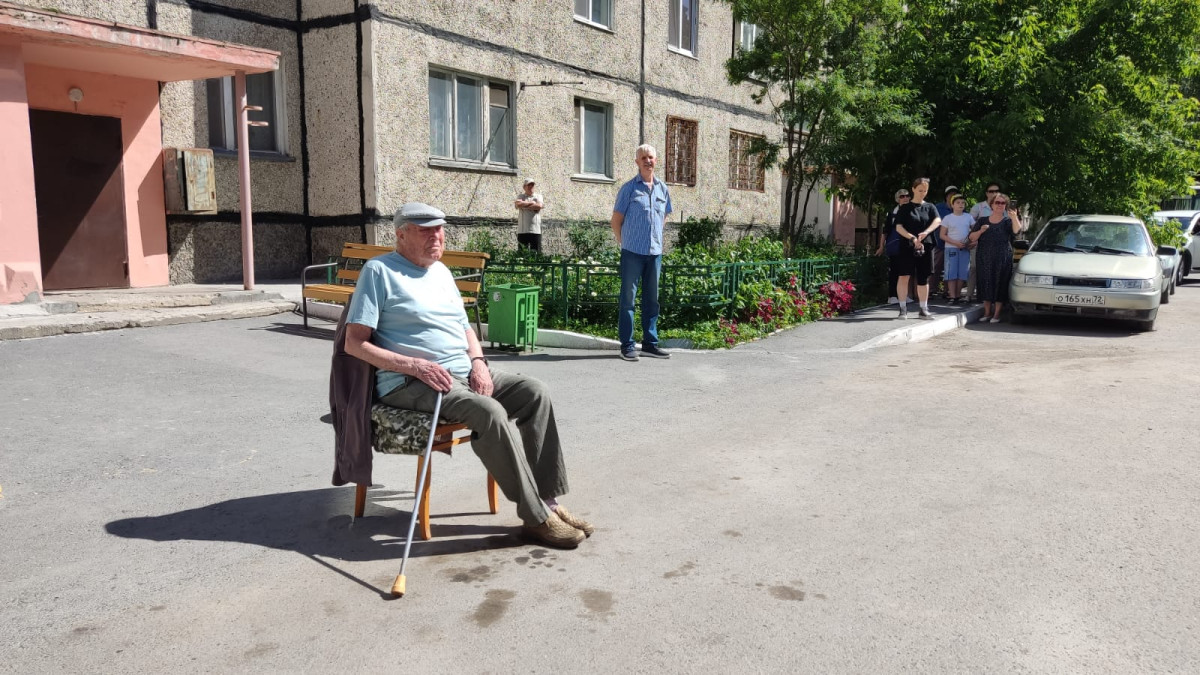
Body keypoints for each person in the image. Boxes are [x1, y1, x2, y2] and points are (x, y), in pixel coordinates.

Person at [343, 202, 593, 549]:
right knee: (488, 412)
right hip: (409, 382)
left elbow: (466, 330)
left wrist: (478, 363)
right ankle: (536, 518)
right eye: (425, 230)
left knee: (535, 392)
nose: (437, 236)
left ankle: (548, 502)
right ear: (400, 235)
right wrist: (416, 366)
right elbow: (354, 343)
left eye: (439, 229)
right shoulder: (379, 271)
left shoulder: (442, 273)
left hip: (462, 371)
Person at [610, 144, 673, 361]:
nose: (648, 161)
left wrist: (654, 237)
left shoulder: (662, 189)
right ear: (637, 162)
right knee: (628, 300)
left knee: (651, 300)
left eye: (651, 157)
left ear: (656, 160)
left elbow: (664, 216)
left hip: (654, 253)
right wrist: (625, 242)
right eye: (643, 158)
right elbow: (616, 221)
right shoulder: (628, 189)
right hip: (632, 253)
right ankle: (627, 346)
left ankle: (650, 344)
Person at [968, 192, 1022, 323]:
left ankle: (997, 314)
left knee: (1000, 284)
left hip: (1002, 257)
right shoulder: (982, 220)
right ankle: (987, 313)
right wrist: (981, 231)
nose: (1000, 205)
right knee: (985, 283)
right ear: (991, 205)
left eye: (1003, 203)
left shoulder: (1007, 221)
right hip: (984, 256)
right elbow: (971, 237)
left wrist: (1014, 217)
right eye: (997, 202)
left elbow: (1017, 231)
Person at [893, 177, 942, 319]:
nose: (923, 193)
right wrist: (912, 238)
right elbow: (899, 227)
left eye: (925, 190)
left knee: (923, 277)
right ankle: (903, 308)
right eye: (920, 190)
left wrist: (926, 232)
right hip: (907, 245)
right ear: (913, 189)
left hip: (926, 245)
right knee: (904, 275)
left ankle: (923, 309)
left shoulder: (930, 207)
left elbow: (937, 220)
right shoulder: (905, 208)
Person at [965, 183, 1001, 303]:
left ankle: (987, 296)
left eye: (996, 191)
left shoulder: (1002, 207)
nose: (994, 193)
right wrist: (973, 239)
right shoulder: (978, 207)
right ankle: (969, 295)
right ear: (986, 193)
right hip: (978, 242)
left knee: (992, 269)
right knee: (974, 267)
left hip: (996, 244)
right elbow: (969, 224)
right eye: (991, 191)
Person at [876, 188, 911, 304]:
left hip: (908, 245)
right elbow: (885, 231)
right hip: (895, 245)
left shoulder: (913, 211)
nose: (905, 198)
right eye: (902, 196)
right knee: (894, 270)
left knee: (906, 271)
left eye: (907, 196)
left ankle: (903, 295)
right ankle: (892, 295)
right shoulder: (892, 213)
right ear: (897, 199)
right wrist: (881, 246)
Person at [938, 194, 974, 304]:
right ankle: (952, 296)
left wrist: (971, 242)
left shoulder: (968, 217)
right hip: (951, 248)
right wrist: (955, 243)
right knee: (951, 272)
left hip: (964, 248)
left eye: (963, 203)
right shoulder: (947, 218)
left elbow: (974, 231)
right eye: (958, 203)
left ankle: (957, 295)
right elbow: (942, 235)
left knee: (962, 273)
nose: (960, 205)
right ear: (952, 205)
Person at [514, 178, 543, 252]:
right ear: (524, 187)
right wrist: (532, 203)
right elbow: (518, 204)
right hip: (522, 230)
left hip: (535, 230)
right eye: (529, 185)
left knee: (536, 254)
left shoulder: (538, 196)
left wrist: (524, 205)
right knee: (522, 254)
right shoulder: (521, 196)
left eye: (532, 185)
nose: (531, 187)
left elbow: (539, 206)